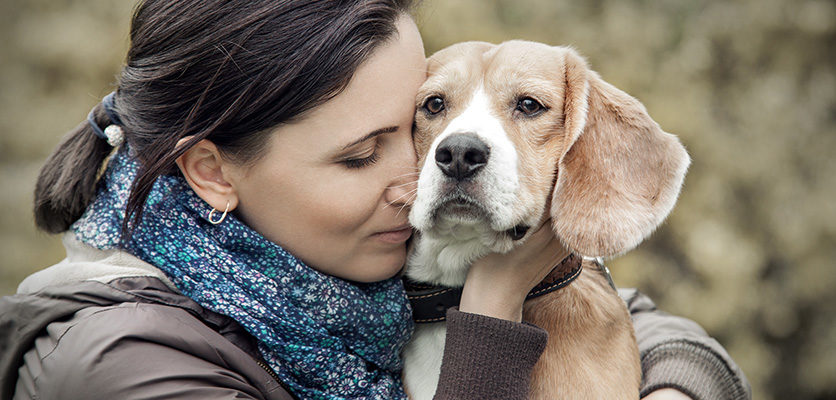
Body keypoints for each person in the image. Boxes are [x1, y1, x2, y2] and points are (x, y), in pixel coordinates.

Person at [0, 1, 751, 399]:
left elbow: (645, 324)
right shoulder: (122, 368)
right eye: (361, 155)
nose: (414, 178)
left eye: (411, 131)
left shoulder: (341, 261)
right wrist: (489, 311)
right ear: (215, 173)